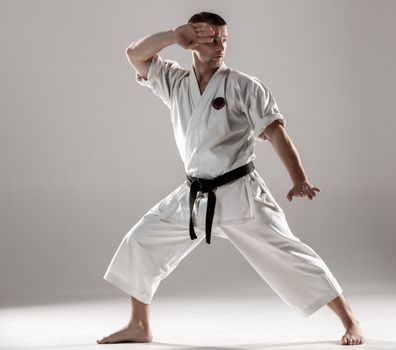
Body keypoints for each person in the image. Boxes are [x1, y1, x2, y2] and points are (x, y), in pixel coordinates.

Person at [97, 12, 365, 346]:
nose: (219, 46)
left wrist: (299, 179)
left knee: (291, 255)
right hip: (195, 194)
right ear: (192, 42)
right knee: (141, 241)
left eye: (224, 39)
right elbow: (134, 54)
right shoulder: (176, 82)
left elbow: (277, 134)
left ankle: (351, 321)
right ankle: (139, 325)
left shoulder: (243, 86)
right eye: (211, 39)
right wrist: (171, 34)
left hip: (240, 193)